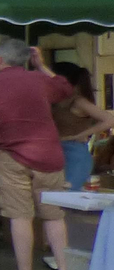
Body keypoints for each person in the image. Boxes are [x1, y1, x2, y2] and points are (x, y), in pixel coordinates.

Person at [0, 38, 82, 270]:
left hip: (12, 156)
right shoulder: (40, 81)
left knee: (21, 216)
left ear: (0, 59)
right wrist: (42, 66)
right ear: (26, 59)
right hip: (49, 155)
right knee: (54, 217)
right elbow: (65, 88)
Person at [50, 60, 114, 190]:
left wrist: (80, 135)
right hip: (55, 152)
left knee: (67, 195)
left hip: (74, 152)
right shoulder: (56, 101)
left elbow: (109, 119)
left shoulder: (78, 101)